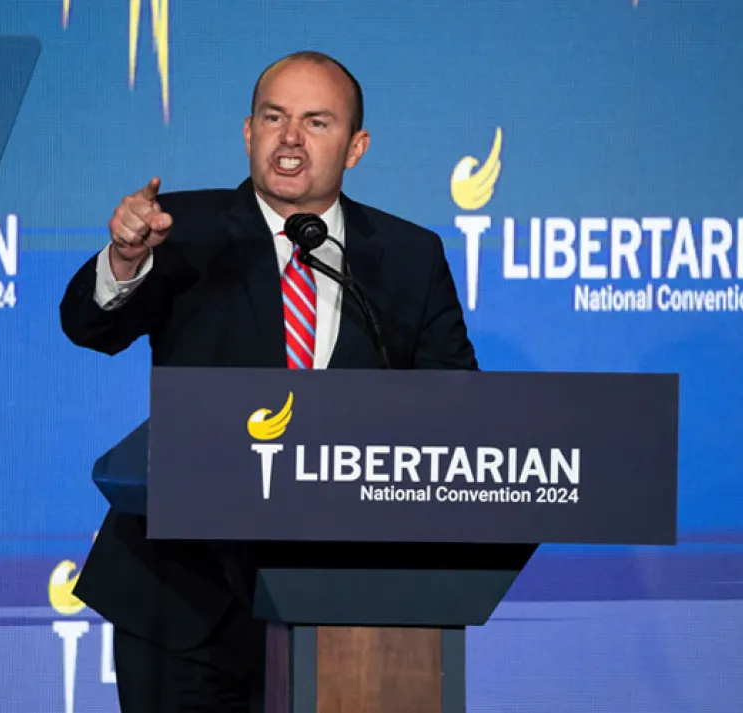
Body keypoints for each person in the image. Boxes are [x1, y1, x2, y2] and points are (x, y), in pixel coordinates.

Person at [59, 50, 478, 712]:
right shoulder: (182, 229)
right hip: (184, 601)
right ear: (248, 132)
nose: (289, 138)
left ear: (357, 145)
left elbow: (456, 406)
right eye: (274, 117)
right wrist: (124, 258)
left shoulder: (408, 255)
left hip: (349, 610)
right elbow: (91, 324)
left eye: (316, 122)